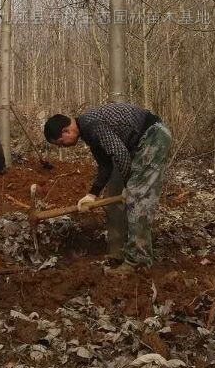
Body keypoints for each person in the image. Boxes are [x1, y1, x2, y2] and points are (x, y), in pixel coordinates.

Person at [43, 102, 171, 274]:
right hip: (148, 139)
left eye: (60, 143)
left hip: (153, 136)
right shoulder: (88, 132)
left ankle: (138, 262)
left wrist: (128, 186)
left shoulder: (92, 125)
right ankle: (135, 254)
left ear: (66, 131)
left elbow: (120, 154)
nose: (61, 147)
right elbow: (105, 166)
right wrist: (92, 194)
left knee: (137, 199)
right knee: (136, 196)